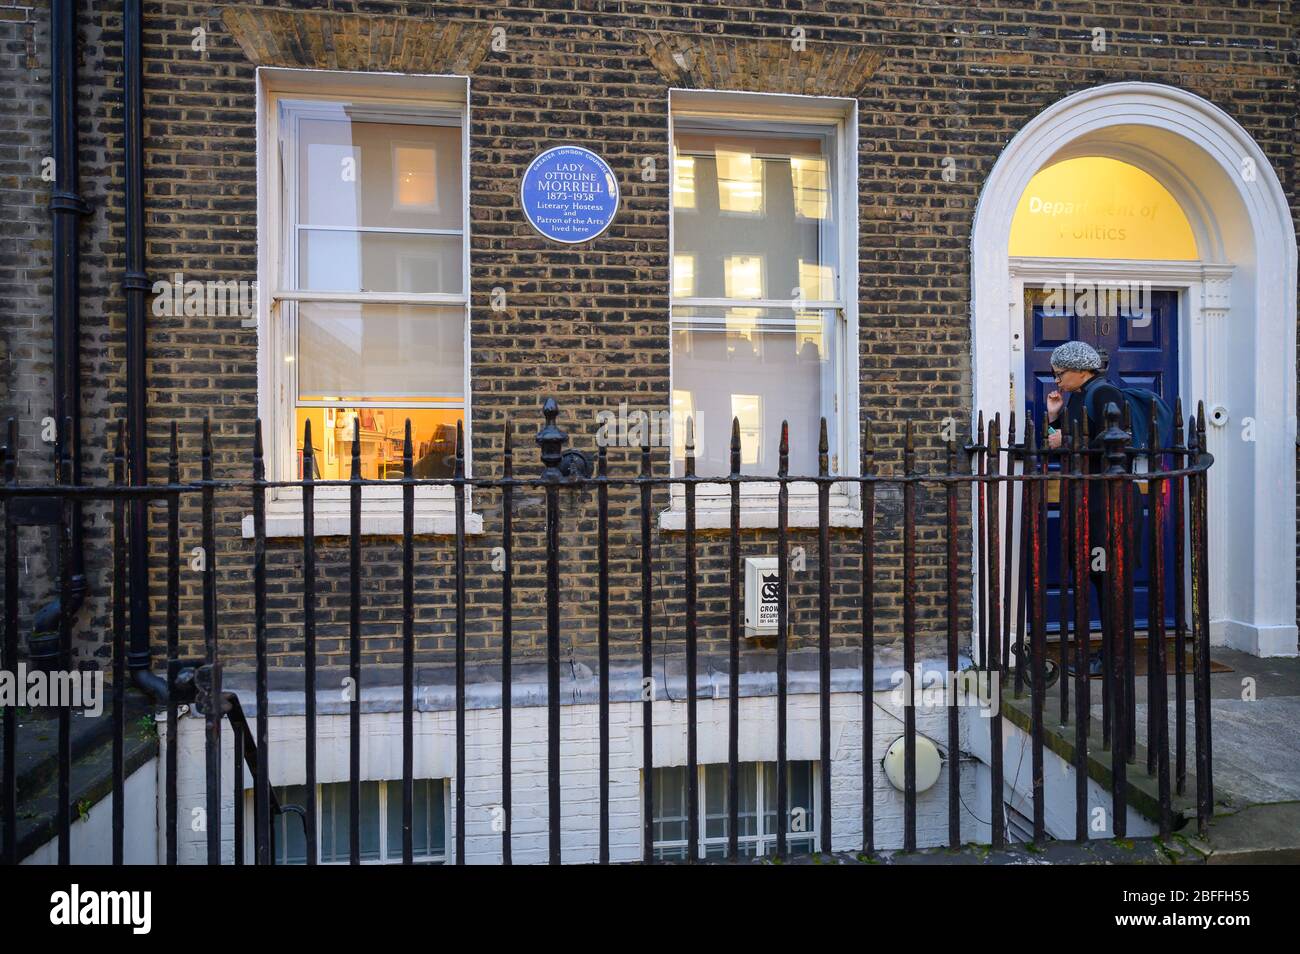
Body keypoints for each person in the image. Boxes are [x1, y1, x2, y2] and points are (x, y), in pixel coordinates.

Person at [1043, 340, 1125, 677]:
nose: (1057, 380)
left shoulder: (1104, 395)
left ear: (1081, 370)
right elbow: (1058, 445)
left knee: (1107, 576)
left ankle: (1112, 656)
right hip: (1086, 498)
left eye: (1060, 373)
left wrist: (1069, 441)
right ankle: (1104, 651)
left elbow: (1116, 443)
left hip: (1107, 501)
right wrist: (1053, 418)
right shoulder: (1077, 399)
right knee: (1092, 573)